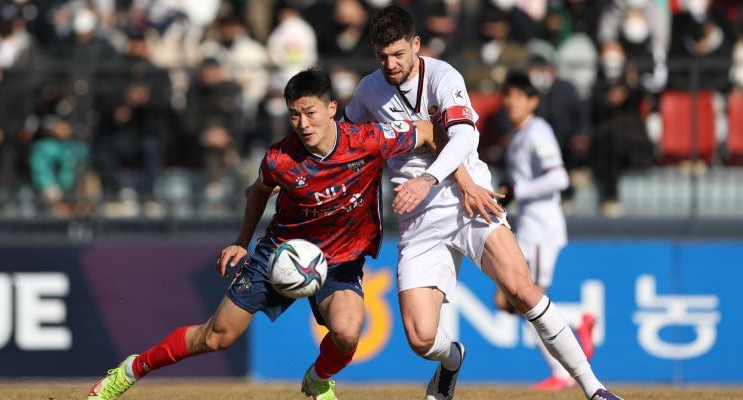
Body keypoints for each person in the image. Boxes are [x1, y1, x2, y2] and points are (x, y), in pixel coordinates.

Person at [86, 67, 465, 400]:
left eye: (310, 113)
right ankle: (131, 371)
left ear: (332, 108)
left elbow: (429, 131)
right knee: (215, 337)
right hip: (279, 254)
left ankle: (318, 380)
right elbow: (258, 192)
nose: (303, 124)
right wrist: (241, 242)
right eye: (294, 115)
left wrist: (459, 182)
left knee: (349, 333)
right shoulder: (280, 159)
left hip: (340, 260)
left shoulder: (369, 140)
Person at [343, 6, 623, 400]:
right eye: (382, 56)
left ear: (416, 45)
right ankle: (452, 359)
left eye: (398, 54)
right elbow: (347, 140)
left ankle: (595, 389)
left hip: (469, 203)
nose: (390, 64)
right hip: (418, 221)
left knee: (523, 292)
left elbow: (464, 138)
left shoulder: (443, 77)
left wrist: (429, 178)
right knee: (421, 338)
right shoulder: (368, 90)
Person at [495, 72, 596, 391]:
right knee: (509, 299)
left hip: (540, 229)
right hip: (527, 227)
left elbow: (559, 179)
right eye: (507, 95)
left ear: (533, 101)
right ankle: (579, 321)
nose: (510, 101)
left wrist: (517, 189)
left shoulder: (539, 131)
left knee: (527, 299)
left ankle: (561, 371)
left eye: (517, 95)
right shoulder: (518, 135)